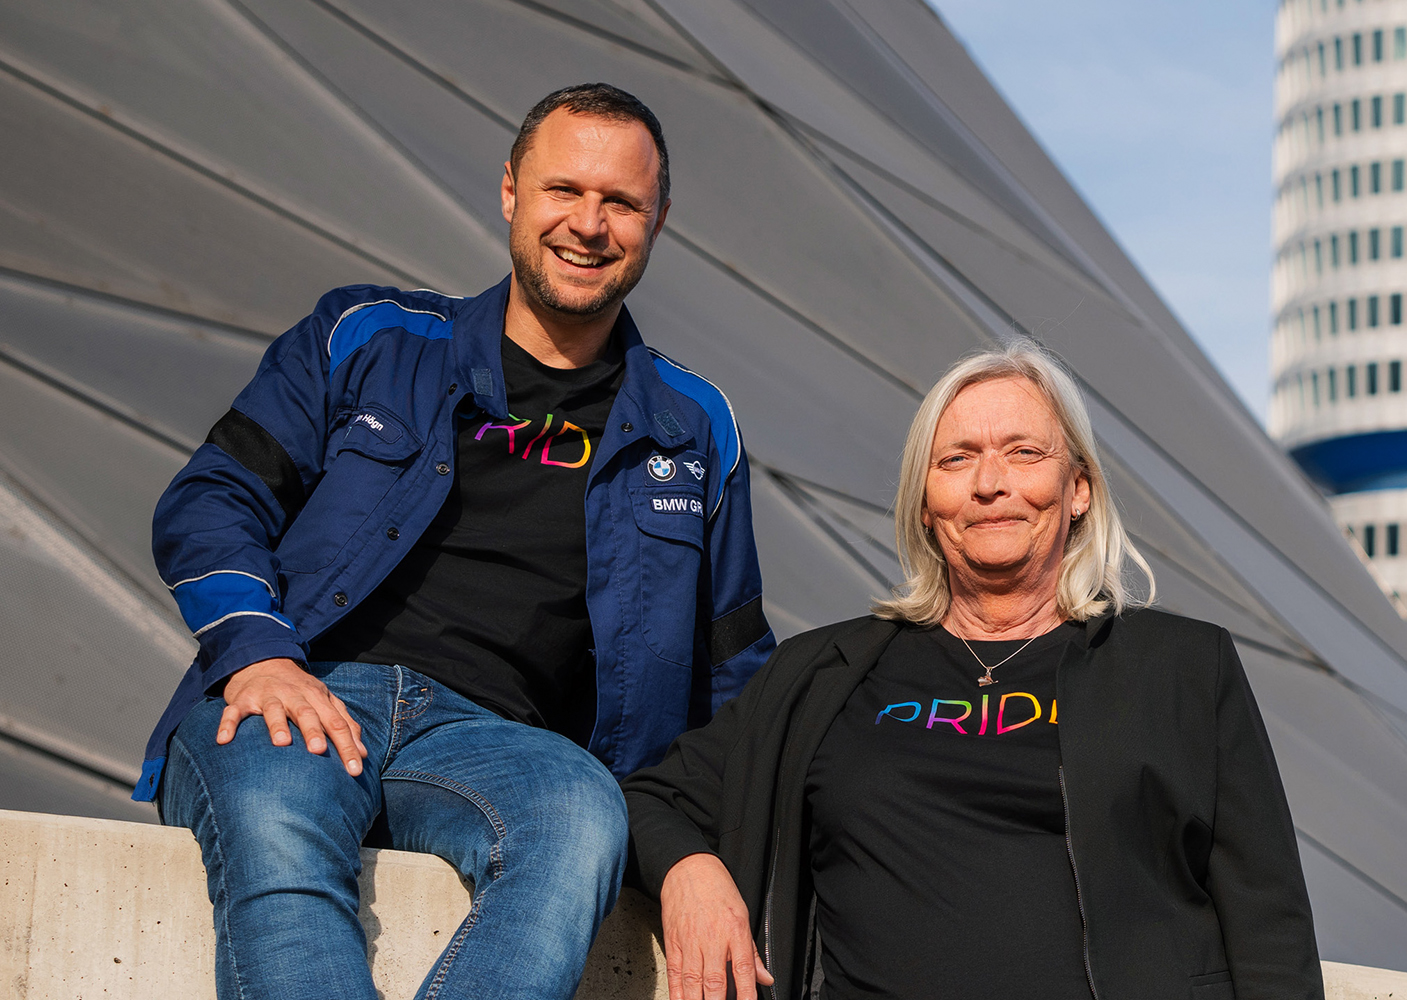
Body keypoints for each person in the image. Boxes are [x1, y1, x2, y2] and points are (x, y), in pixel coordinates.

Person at [134, 82, 775, 1000]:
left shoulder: (694, 424)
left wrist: (695, 855)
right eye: (564, 191)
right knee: (275, 830)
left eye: (621, 202)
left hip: (505, 743)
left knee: (583, 819)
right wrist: (257, 654)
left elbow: (735, 673)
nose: (589, 224)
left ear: (658, 219)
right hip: (306, 693)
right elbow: (213, 497)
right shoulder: (368, 337)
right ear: (511, 189)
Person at [624, 342, 1324, 1000]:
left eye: (1023, 452)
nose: (991, 484)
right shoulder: (819, 675)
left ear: (1077, 487)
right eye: (957, 459)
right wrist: (691, 872)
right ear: (926, 505)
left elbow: (1268, 924)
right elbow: (646, 798)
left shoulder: (1180, 668)